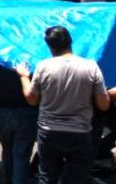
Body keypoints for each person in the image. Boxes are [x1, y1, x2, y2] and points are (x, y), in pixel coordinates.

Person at [17, 25, 114, 183]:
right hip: (80, 132)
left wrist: (23, 77)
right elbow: (103, 105)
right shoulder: (90, 66)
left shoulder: (43, 66)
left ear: (49, 46)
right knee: (75, 178)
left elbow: (32, 99)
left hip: (49, 131)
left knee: (47, 177)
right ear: (70, 41)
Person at [0, 64, 38, 184]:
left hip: (3, 114)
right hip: (28, 114)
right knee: (21, 153)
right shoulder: (35, 65)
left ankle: (8, 180)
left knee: (7, 150)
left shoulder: (0, 66)